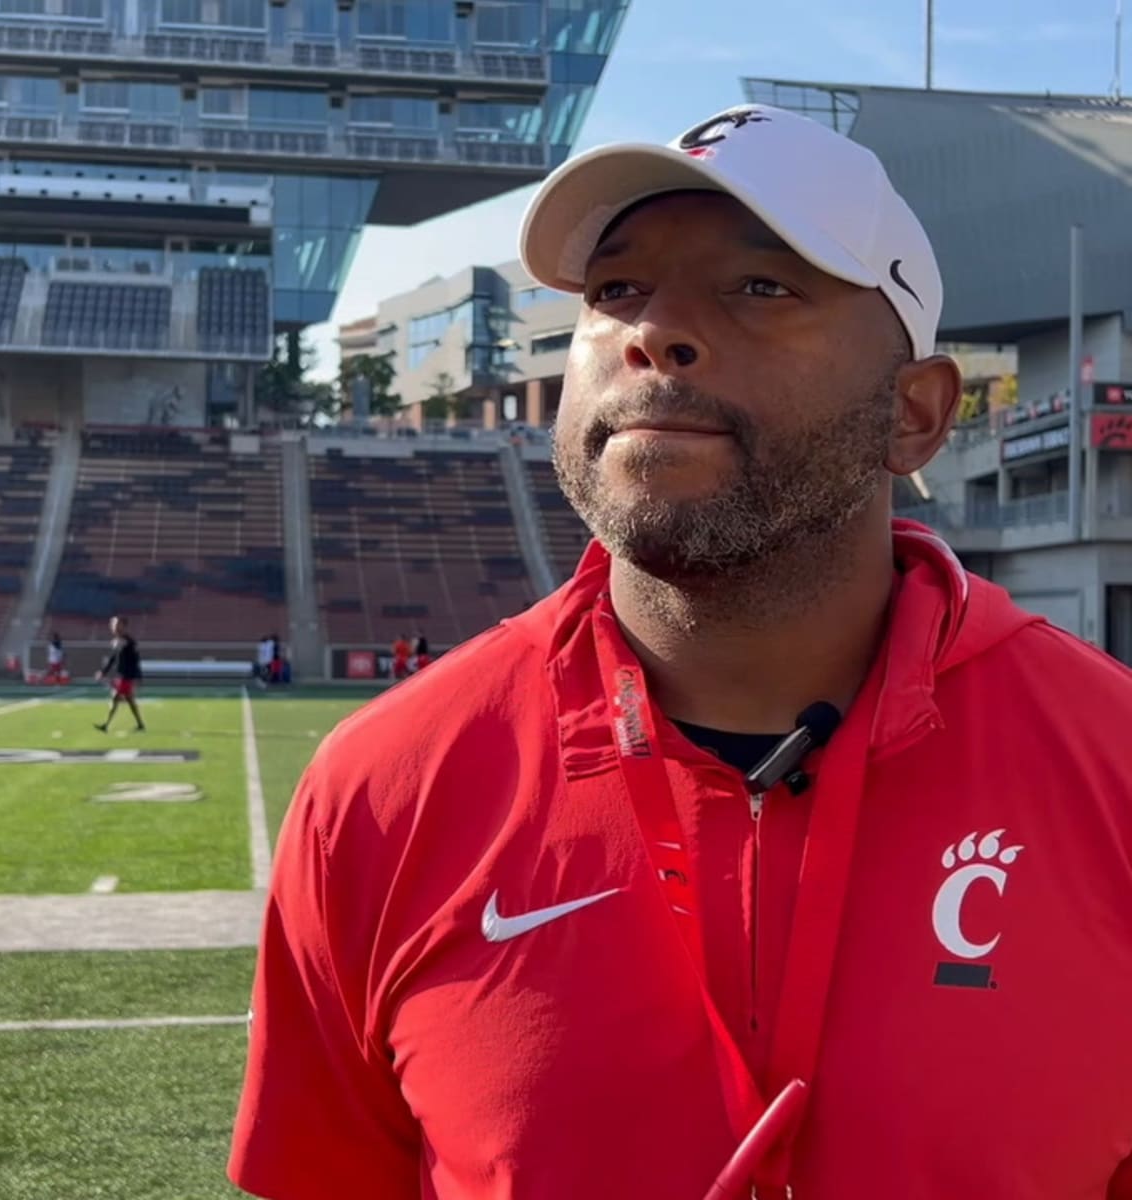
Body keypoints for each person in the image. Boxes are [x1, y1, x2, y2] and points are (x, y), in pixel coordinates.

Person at [229, 105, 1132, 1200]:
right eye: (614, 291)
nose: (652, 330)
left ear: (916, 414)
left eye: (761, 287)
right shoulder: (384, 787)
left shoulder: (1110, 764)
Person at [93, 615, 145, 733]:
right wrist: (103, 672)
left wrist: (138, 675)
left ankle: (105, 725)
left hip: (126, 676)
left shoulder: (128, 641)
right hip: (121, 675)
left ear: (123, 626)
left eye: (117, 624)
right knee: (130, 701)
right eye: (113, 624)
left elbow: (135, 659)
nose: (114, 627)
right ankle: (140, 724)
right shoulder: (117, 641)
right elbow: (113, 659)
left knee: (116, 698)